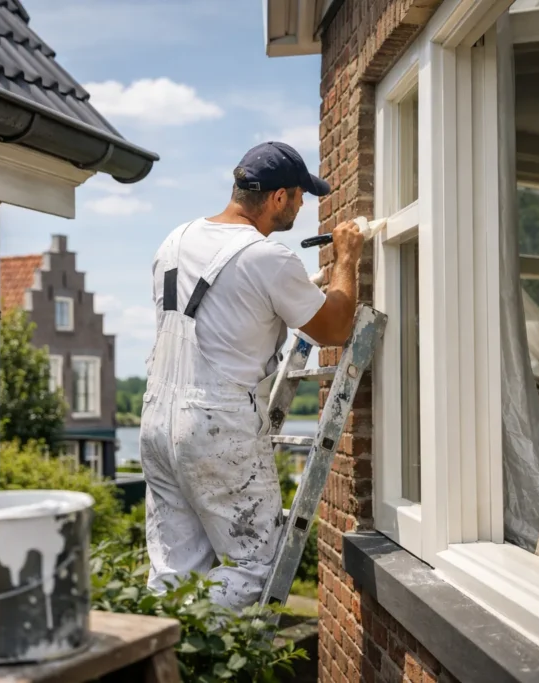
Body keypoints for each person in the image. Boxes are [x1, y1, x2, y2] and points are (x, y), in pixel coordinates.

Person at [140, 141, 365, 612]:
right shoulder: (268, 257)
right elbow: (336, 328)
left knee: (173, 571)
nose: (303, 207)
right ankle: (214, 663)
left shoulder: (174, 241)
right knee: (255, 566)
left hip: (157, 419)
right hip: (217, 423)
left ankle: (165, 662)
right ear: (278, 197)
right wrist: (346, 258)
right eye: (301, 196)